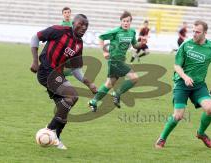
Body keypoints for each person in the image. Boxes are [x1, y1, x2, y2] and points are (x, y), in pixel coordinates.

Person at [30, 14, 97, 149]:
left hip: (57, 75)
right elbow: (35, 37)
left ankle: (56, 139)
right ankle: (50, 130)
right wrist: (35, 61)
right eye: (81, 24)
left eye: (86, 26)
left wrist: (89, 83)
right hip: (46, 72)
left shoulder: (79, 44)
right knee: (71, 96)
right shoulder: (59, 31)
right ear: (73, 23)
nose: (83, 27)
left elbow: (76, 68)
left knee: (66, 105)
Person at [155, 20, 211, 149]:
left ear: (205, 33)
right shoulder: (186, 45)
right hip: (181, 84)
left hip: (199, 86)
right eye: (193, 31)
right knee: (178, 115)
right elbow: (177, 65)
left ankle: (201, 133)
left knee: (210, 109)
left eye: (198, 32)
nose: (194, 34)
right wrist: (185, 77)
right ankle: (162, 138)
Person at [88, 11, 146, 112]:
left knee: (109, 84)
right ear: (121, 22)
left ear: (130, 22)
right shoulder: (115, 31)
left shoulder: (132, 32)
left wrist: (141, 43)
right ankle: (117, 93)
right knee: (134, 78)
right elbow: (101, 37)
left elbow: (134, 45)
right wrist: (104, 52)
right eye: (124, 21)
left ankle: (93, 101)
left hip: (120, 60)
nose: (125, 23)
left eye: (128, 21)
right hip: (114, 60)